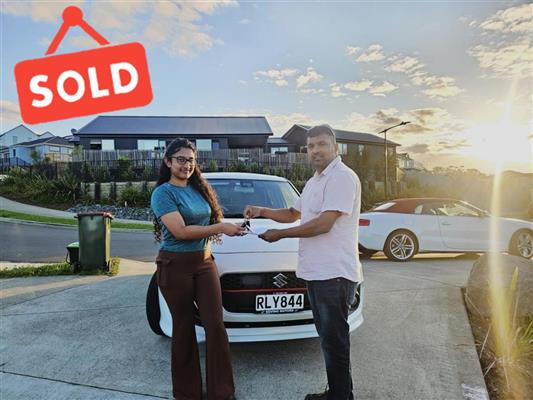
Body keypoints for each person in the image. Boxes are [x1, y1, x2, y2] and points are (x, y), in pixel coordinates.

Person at [244, 124, 362, 400]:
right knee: (329, 340)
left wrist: (280, 235)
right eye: (310, 146)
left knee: (335, 342)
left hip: (334, 274)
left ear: (335, 147)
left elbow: (324, 224)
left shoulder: (342, 177)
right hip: (317, 273)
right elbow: (292, 213)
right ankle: (338, 393)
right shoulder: (314, 181)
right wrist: (262, 211)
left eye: (321, 144)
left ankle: (341, 396)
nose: (315, 150)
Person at [151, 138, 243, 400]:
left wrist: (232, 226)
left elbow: (208, 220)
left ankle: (221, 392)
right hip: (175, 265)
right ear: (168, 161)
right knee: (183, 328)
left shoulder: (198, 188)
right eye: (180, 159)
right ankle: (187, 393)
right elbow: (180, 231)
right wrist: (221, 227)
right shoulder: (163, 193)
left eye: (191, 160)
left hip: (204, 263)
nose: (186, 165)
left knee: (215, 325)